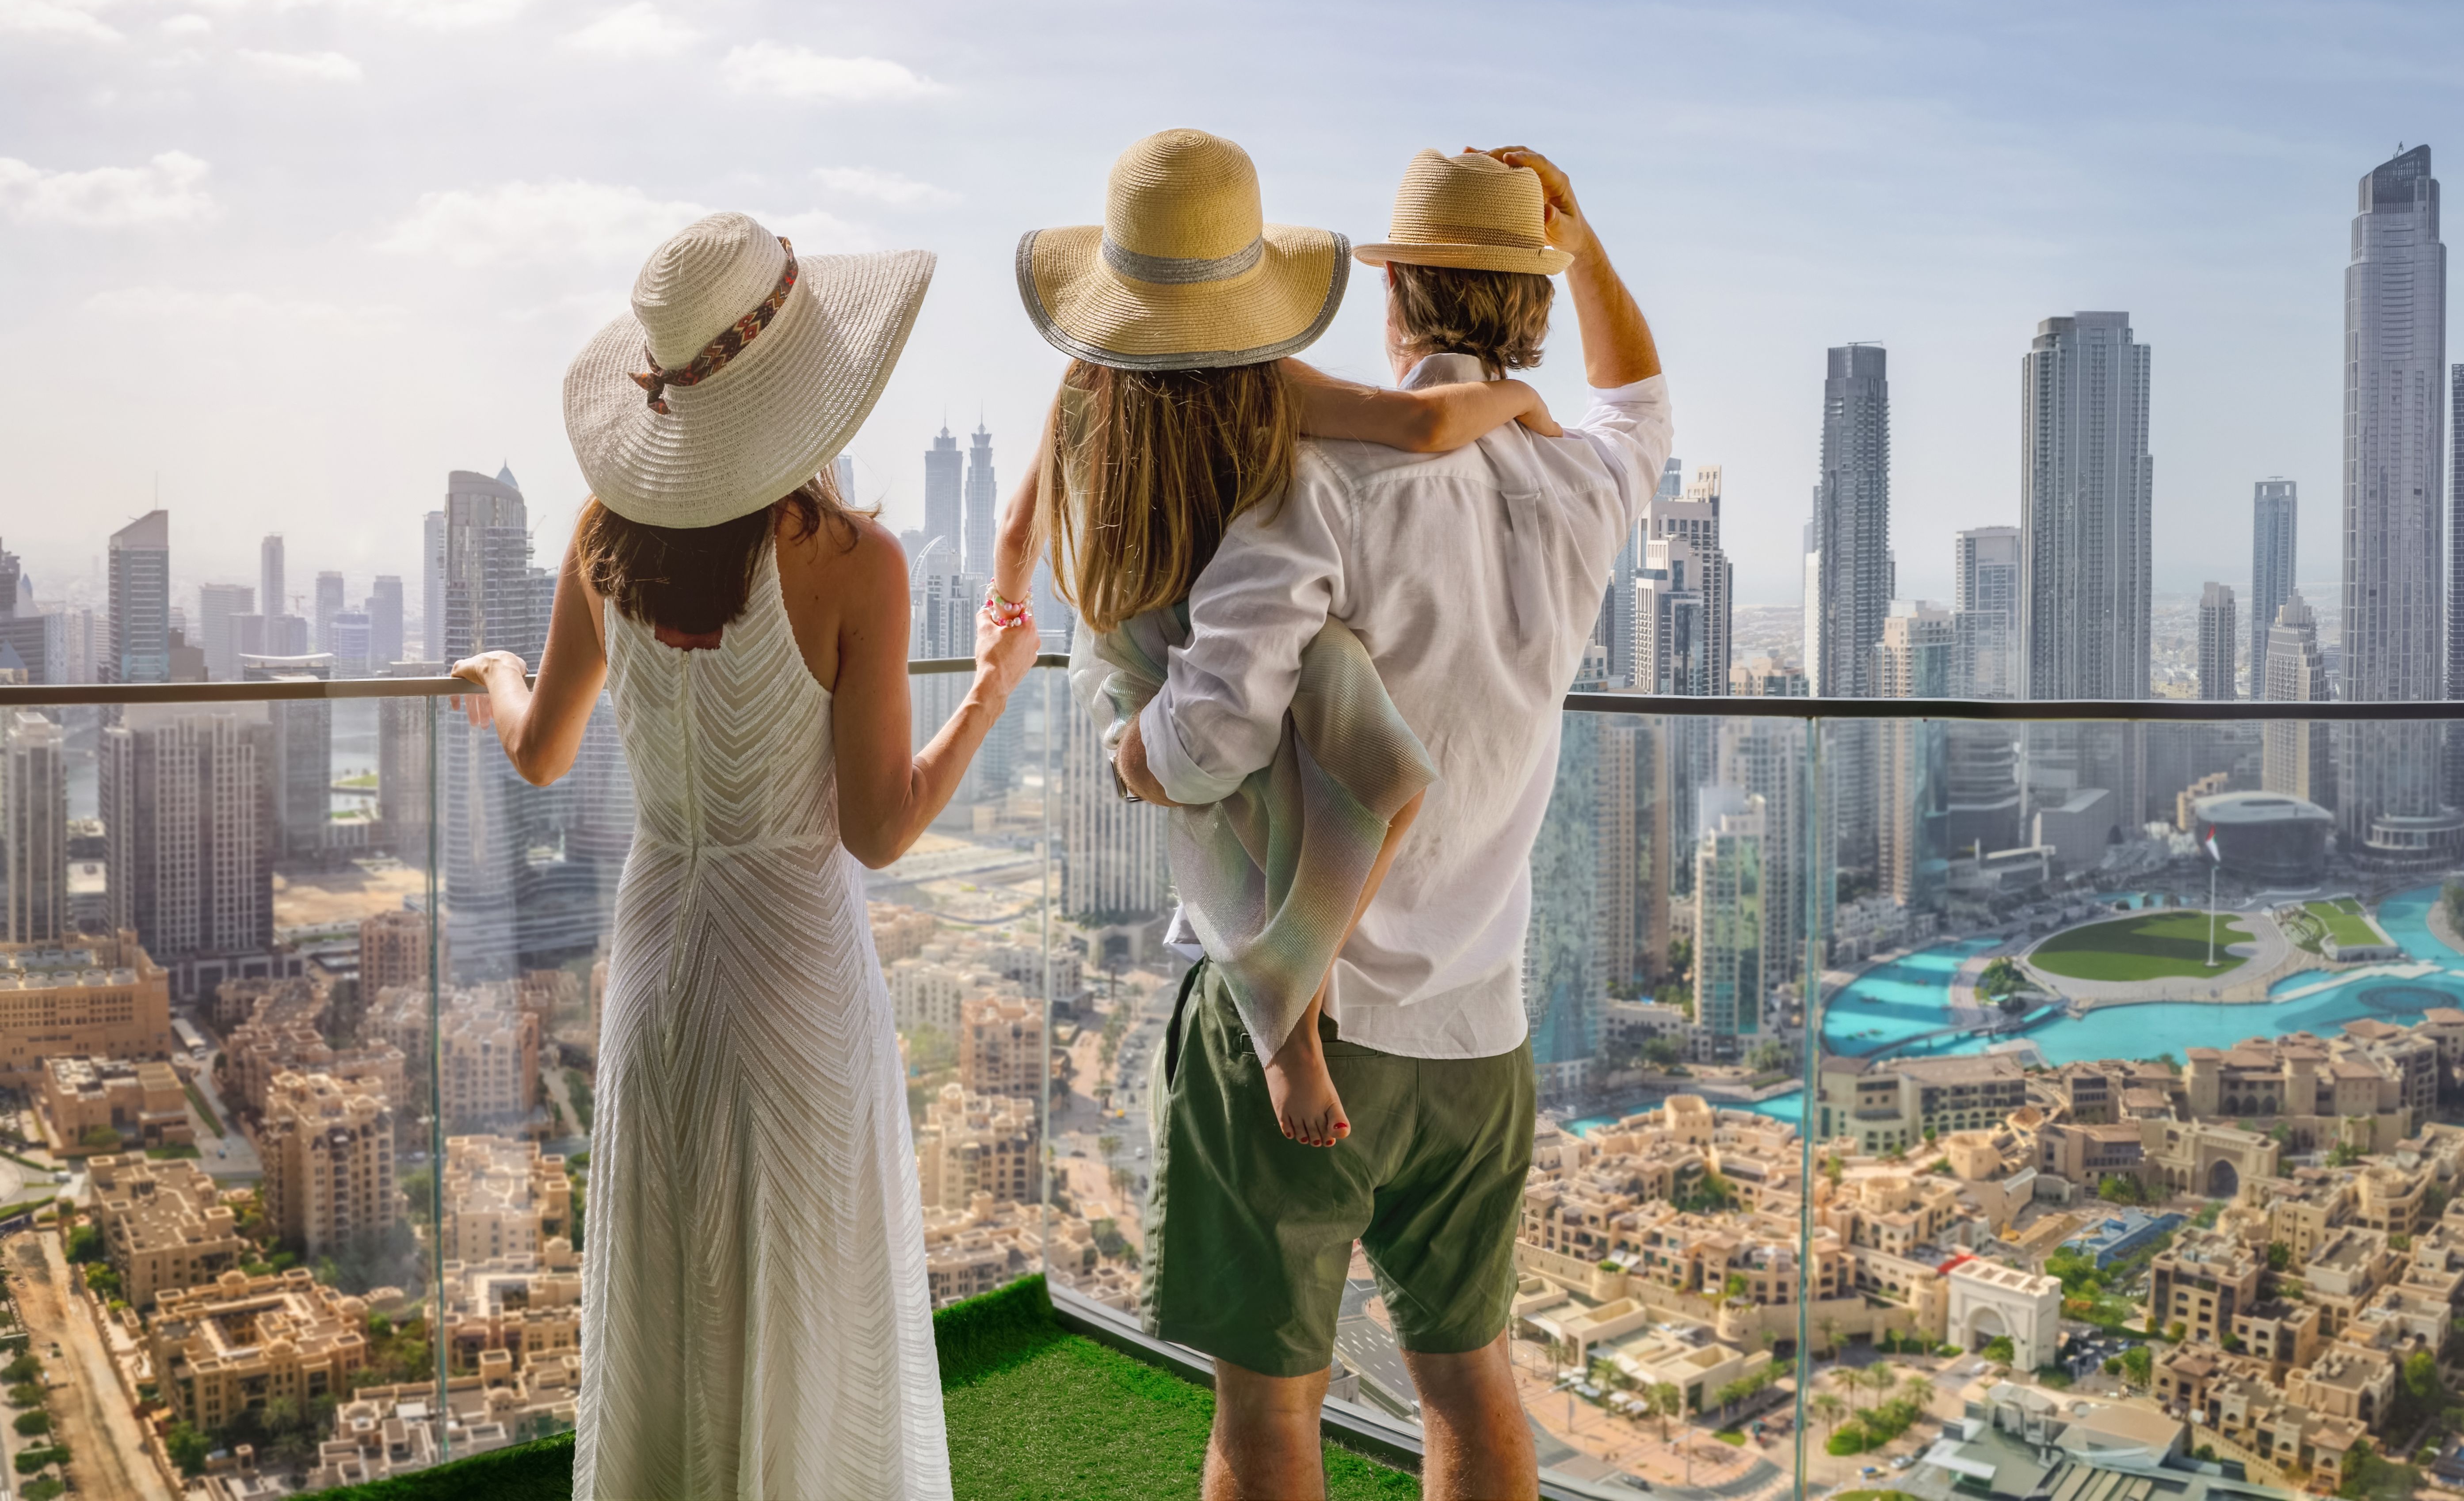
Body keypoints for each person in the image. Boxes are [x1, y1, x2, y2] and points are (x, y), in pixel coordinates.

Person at [450, 212, 1034, 1501]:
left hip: (660, 967)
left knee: (672, 1302)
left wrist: (500, 677)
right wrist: (989, 696)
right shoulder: (856, 565)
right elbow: (878, 829)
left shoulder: (604, 538)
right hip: (797, 976)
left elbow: (541, 751)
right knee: (806, 1301)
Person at [1115, 144, 1668, 1500]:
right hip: (1479, 1031)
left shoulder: (1321, 476)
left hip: (1308, 1020)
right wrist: (1578, 242)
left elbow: (1211, 740)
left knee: (1266, 1421)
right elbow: (1638, 400)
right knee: (1472, 1390)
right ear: (1528, 308)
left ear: (1395, 297)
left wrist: (1134, 752)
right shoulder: (1582, 488)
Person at [1001, 127, 1560, 1151]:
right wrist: (1521, 395)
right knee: (1386, 777)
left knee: (1278, 785)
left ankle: (1281, 993)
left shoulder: (1086, 384)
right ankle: (1287, 1018)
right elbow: (1427, 429)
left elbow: (1015, 530)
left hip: (1133, 654)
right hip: (1190, 655)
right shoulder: (1269, 386)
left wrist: (1004, 628)